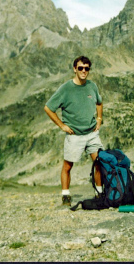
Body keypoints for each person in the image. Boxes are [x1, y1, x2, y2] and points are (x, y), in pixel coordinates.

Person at [44, 56, 104, 206]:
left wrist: (99, 119)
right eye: (80, 68)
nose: (84, 71)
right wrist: (62, 126)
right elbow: (48, 108)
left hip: (92, 134)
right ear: (74, 69)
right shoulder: (65, 88)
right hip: (74, 135)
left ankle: (100, 193)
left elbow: (99, 102)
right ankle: (65, 195)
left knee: (99, 163)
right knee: (67, 166)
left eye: (87, 68)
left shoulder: (92, 86)